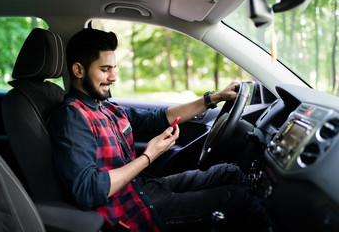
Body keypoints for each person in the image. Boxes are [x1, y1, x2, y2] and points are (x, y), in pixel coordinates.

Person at [48, 28, 271, 232]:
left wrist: (214, 98)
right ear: (78, 70)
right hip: (130, 213)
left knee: (228, 172)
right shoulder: (72, 118)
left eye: (113, 68)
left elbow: (158, 118)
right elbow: (88, 190)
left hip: (142, 191)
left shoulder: (107, 108)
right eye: (105, 69)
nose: (114, 77)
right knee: (238, 199)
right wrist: (149, 156)